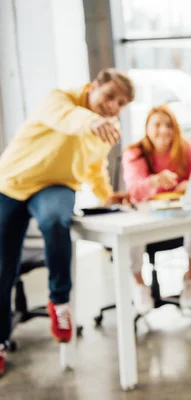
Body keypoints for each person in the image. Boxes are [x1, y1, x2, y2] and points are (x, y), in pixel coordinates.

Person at [0, 68, 134, 376]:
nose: (112, 105)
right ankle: (0, 342)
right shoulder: (60, 100)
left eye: (120, 103)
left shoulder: (105, 128)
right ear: (93, 86)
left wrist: (106, 195)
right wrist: (93, 122)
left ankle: (60, 302)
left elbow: (94, 165)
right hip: (11, 183)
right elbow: (69, 118)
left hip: (56, 185)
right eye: (109, 96)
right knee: (3, 267)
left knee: (56, 221)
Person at [122, 105, 191, 327]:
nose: (163, 130)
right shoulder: (135, 152)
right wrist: (154, 181)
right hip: (146, 216)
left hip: (177, 214)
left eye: (168, 125)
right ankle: (140, 285)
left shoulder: (184, 147)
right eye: (157, 125)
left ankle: (189, 279)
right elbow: (133, 190)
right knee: (132, 235)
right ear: (147, 128)